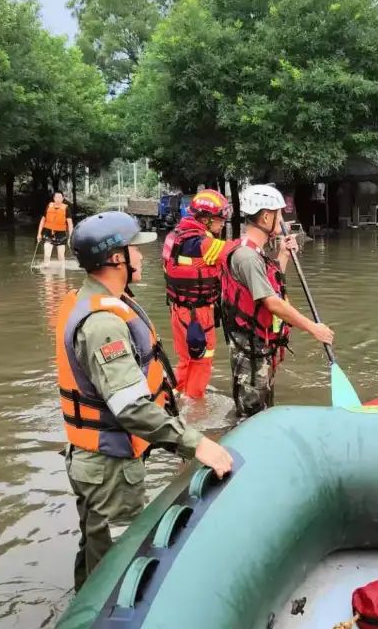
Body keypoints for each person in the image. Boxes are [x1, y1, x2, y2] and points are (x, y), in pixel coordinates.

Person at [57, 211, 233, 590]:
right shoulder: (103, 324)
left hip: (98, 462)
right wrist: (196, 443)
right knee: (116, 569)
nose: (141, 257)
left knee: (96, 551)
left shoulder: (94, 300)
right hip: (109, 469)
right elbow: (131, 408)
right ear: (116, 258)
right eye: (134, 250)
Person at [219, 184, 335, 419]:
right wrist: (314, 328)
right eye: (279, 214)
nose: (282, 220)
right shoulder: (247, 256)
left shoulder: (255, 252)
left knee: (263, 408)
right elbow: (272, 302)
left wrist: (282, 253)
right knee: (250, 414)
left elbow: (269, 288)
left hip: (260, 341)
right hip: (249, 346)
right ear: (265, 216)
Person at [161, 189, 230, 400]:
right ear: (206, 219)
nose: (223, 223)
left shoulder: (175, 236)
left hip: (178, 308)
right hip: (198, 315)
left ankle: (177, 396)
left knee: (185, 359)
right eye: (220, 219)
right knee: (202, 360)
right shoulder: (203, 244)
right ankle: (195, 412)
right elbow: (237, 251)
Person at [37, 191, 73, 266]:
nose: (58, 199)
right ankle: (47, 275)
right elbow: (43, 220)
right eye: (56, 197)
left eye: (60, 197)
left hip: (61, 234)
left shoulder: (66, 208)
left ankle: (62, 275)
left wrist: (70, 237)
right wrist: (39, 234)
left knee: (60, 256)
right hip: (48, 232)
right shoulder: (49, 206)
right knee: (47, 254)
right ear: (54, 198)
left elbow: (70, 224)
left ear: (63, 198)